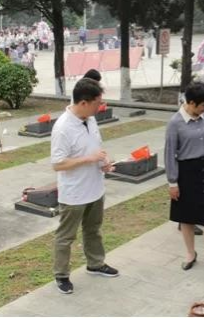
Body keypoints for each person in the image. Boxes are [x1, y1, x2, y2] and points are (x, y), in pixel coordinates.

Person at [51, 78, 119, 294]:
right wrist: (89, 159)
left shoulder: (89, 120)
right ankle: (61, 275)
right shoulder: (62, 128)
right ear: (83, 102)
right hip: (74, 193)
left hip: (95, 188)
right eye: (97, 103)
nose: (100, 107)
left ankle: (96, 263)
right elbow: (58, 164)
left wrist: (102, 164)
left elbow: (95, 147)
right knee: (66, 236)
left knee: (93, 230)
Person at [164, 82, 204, 272]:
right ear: (190, 103)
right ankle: (191, 253)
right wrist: (172, 182)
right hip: (187, 172)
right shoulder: (175, 123)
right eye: (202, 105)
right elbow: (170, 154)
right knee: (187, 217)